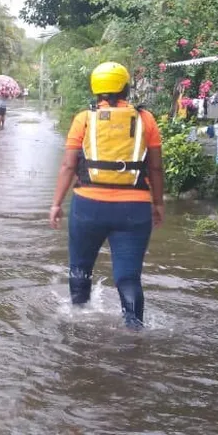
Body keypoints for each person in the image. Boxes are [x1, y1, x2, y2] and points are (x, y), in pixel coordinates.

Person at [48, 62, 165, 329]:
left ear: (95, 88)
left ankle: (77, 325)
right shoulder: (146, 119)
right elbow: (156, 167)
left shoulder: (83, 119)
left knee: (80, 268)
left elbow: (68, 165)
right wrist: (158, 203)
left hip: (88, 207)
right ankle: (134, 331)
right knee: (128, 277)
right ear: (126, 87)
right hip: (134, 209)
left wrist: (56, 204)